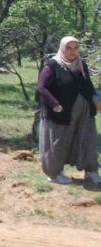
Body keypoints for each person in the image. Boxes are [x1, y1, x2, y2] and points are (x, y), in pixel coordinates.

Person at [36, 36, 101, 185]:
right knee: (58, 143)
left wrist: (95, 98)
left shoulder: (81, 65)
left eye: (75, 48)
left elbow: (88, 84)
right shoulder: (53, 65)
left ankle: (91, 171)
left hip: (84, 112)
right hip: (61, 113)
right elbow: (42, 87)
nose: (72, 51)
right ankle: (54, 174)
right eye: (69, 48)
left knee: (88, 139)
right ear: (62, 48)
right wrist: (54, 104)